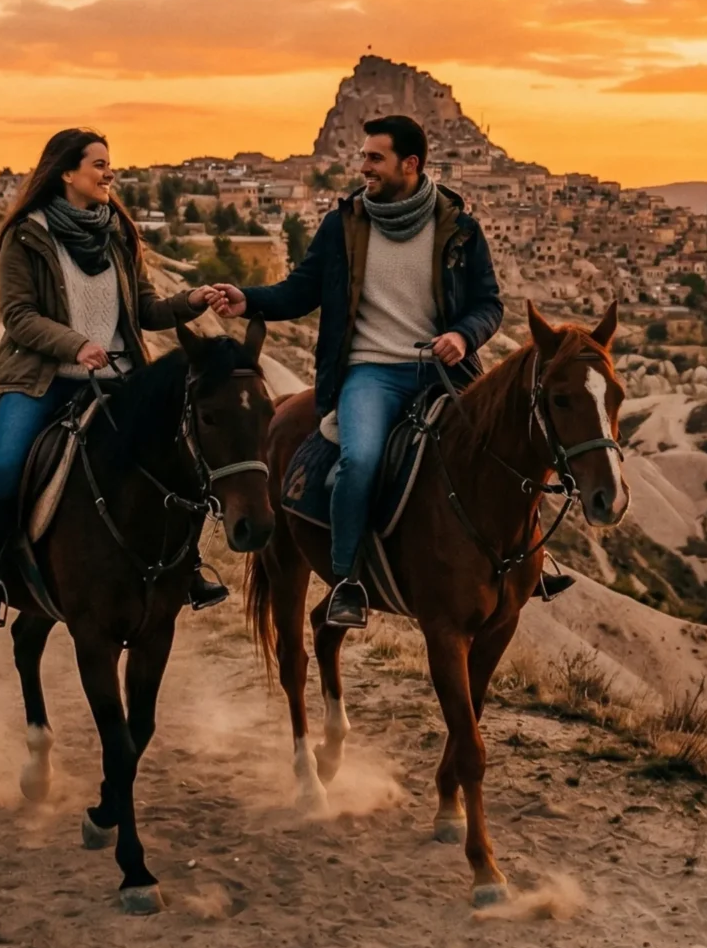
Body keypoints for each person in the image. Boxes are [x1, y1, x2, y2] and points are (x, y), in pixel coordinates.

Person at [211, 114, 509, 628]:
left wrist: (463, 336)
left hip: (441, 369)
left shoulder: (458, 228)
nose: (363, 166)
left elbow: (488, 304)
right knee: (361, 459)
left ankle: (528, 565)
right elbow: (300, 291)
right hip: (371, 372)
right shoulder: (344, 226)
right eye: (364, 156)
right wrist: (248, 300)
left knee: (506, 443)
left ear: (410, 165)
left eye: (375, 157)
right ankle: (348, 581)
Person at [0, 128, 231, 626]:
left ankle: (188, 567)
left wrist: (189, 302)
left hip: (120, 379)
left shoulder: (118, 234)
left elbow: (144, 309)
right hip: (43, 379)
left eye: (110, 164)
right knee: (3, 467)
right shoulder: (26, 235)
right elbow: (18, 315)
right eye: (99, 164)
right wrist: (75, 345)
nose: (110, 173)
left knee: (180, 461)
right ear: (67, 173)